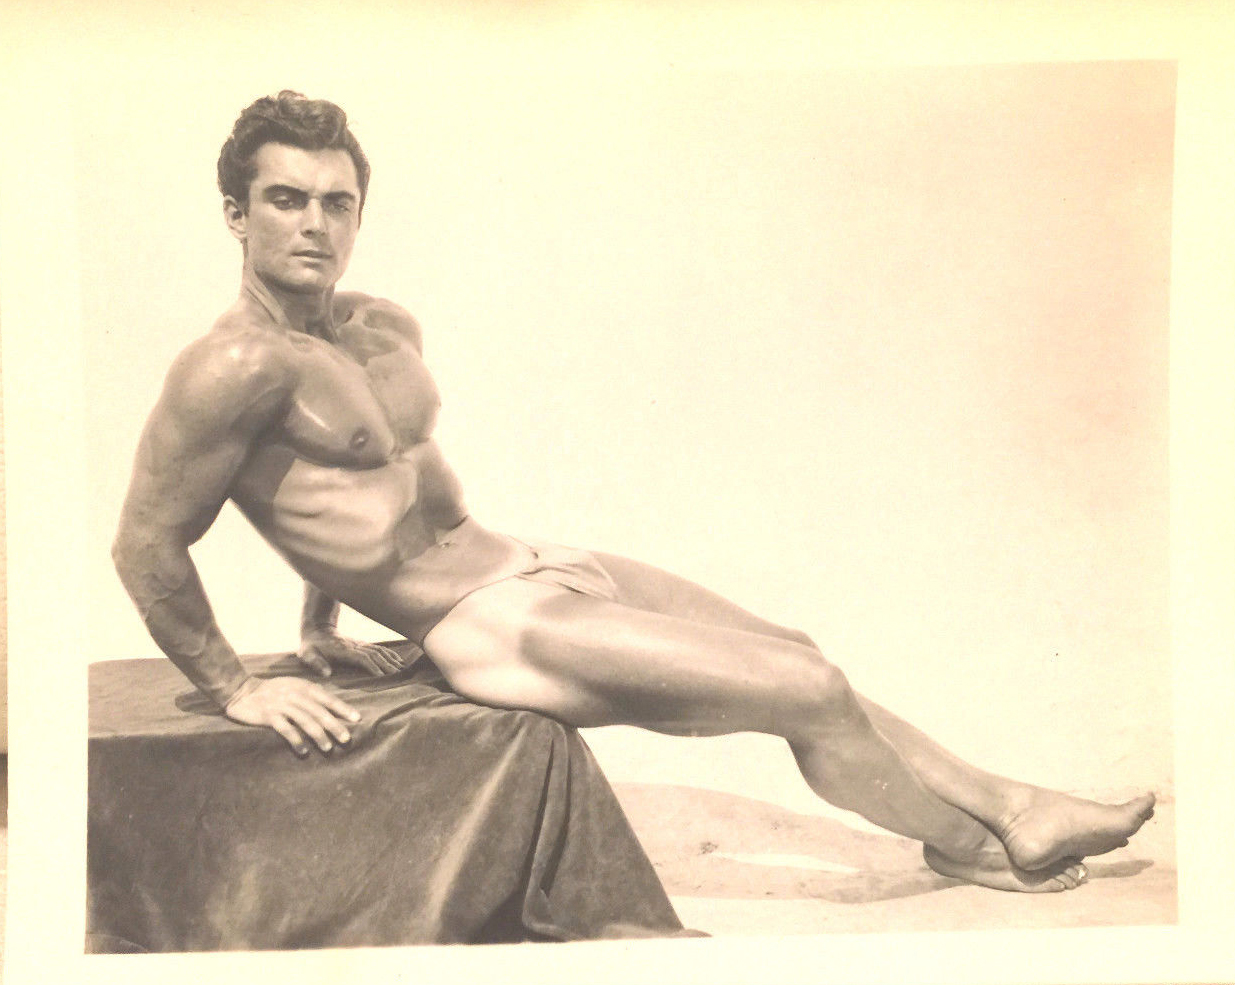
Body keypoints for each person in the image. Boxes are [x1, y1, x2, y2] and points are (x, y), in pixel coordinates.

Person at [113, 90, 1155, 896]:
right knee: (805, 692)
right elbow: (145, 541)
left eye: (336, 201)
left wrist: (319, 619)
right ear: (236, 214)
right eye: (286, 200)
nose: (315, 223)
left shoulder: (379, 325)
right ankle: (966, 840)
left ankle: (1015, 803)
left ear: (358, 213)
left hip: (526, 560)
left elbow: (355, 487)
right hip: (486, 624)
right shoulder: (230, 366)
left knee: (793, 647)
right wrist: (237, 687)